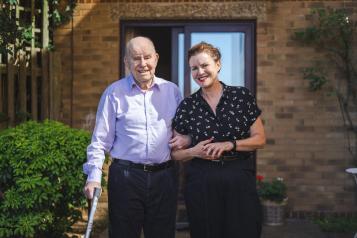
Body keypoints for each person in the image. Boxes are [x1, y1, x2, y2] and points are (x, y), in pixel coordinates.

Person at [83, 36, 189, 238]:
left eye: (147, 57)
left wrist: (189, 140)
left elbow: (183, 133)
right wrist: (93, 177)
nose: (143, 64)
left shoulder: (172, 91)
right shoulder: (114, 93)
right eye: (136, 58)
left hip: (164, 178)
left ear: (156, 58)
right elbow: (100, 141)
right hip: (126, 178)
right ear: (126, 62)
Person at [171, 42, 266, 238]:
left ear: (218, 65)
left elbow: (260, 139)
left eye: (204, 65)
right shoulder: (187, 106)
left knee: (245, 231)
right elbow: (175, 153)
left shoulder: (241, 96)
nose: (200, 72)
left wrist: (231, 144)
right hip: (201, 179)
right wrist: (193, 151)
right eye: (194, 68)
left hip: (238, 175)